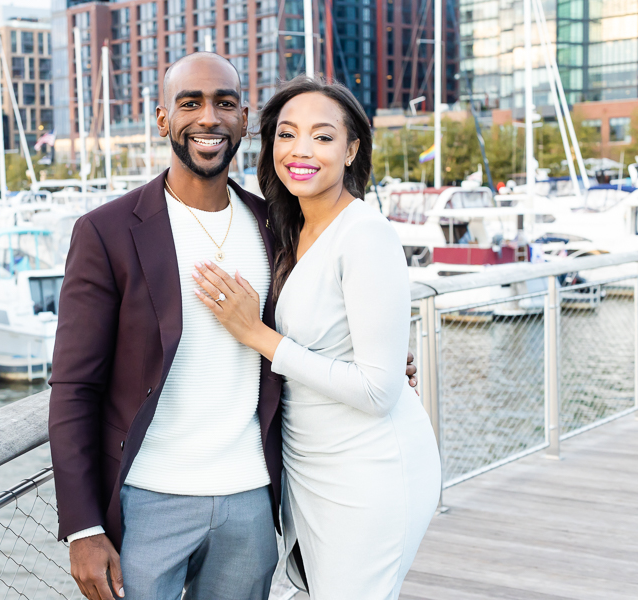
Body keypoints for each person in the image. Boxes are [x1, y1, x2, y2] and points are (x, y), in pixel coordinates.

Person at [49, 54, 418, 600]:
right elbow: (75, 387)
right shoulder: (105, 232)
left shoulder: (277, 225)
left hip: (253, 501)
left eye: (224, 103)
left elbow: (317, 326)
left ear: (245, 119)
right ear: (162, 119)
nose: (208, 118)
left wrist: (377, 363)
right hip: (147, 502)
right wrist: (83, 528)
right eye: (190, 103)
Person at [193, 77, 441, 600]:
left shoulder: (365, 234)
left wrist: (256, 334)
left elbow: (378, 390)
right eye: (287, 134)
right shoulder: (287, 228)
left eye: (323, 137)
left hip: (367, 467)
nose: (301, 150)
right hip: (308, 466)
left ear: (352, 149)